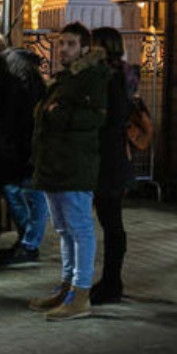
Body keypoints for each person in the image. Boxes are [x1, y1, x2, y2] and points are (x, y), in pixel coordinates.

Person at [28, 22, 108, 321]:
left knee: (80, 229)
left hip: (73, 164)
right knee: (63, 229)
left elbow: (95, 118)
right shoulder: (66, 78)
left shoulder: (91, 77)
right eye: (61, 43)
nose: (63, 49)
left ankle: (80, 293)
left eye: (71, 44)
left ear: (85, 48)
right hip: (54, 163)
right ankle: (67, 286)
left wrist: (58, 113)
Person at [0, 32, 42, 269]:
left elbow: (7, 114)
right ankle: (15, 245)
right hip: (8, 146)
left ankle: (24, 244)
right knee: (7, 197)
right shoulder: (11, 70)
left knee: (13, 195)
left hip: (2, 147)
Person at [89, 26, 134, 303]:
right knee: (111, 222)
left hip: (109, 160)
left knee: (111, 223)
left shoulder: (110, 77)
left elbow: (113, 117)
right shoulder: (120, 75)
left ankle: (111, 283)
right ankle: (111, 281)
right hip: (114, 157)